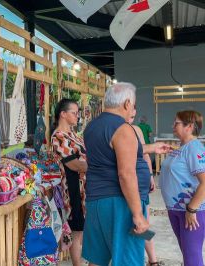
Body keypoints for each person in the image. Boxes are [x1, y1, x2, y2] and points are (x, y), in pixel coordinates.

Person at [82, 82, 170, 266]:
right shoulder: (123, 129)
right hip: (119, 203)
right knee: (128, 259)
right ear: (127, 103)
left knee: (97, 259)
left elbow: (110, 153)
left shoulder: (92, 127)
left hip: (96, 201)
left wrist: (151, 148)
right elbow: (126, 174)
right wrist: (138, 214)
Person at [159, 110, 205, 266]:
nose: (173, 125)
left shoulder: (194, 148)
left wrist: (192, 209)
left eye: (176, 123)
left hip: (191, 212)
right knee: (187, 255)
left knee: (192, 257)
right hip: (176, 210)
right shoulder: (182, 148)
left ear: (189, 126)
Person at [51, 99, 87, 266]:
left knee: (80, 230)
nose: (77, 116)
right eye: (74, 112)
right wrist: (99, 165)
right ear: (63, 114)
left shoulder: (73, 135)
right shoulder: (58, 136)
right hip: (72, 188)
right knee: (76, 230)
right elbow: (75, 164)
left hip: (82, 188)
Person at [128, 110, 161, 266]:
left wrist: (150, 176)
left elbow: (146, 153)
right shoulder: (114, 129)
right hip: (123, 182)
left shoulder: (137, 129)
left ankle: (153, 260)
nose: (131, 114)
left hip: (139, 181)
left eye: (134, 113)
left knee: (143, 221)